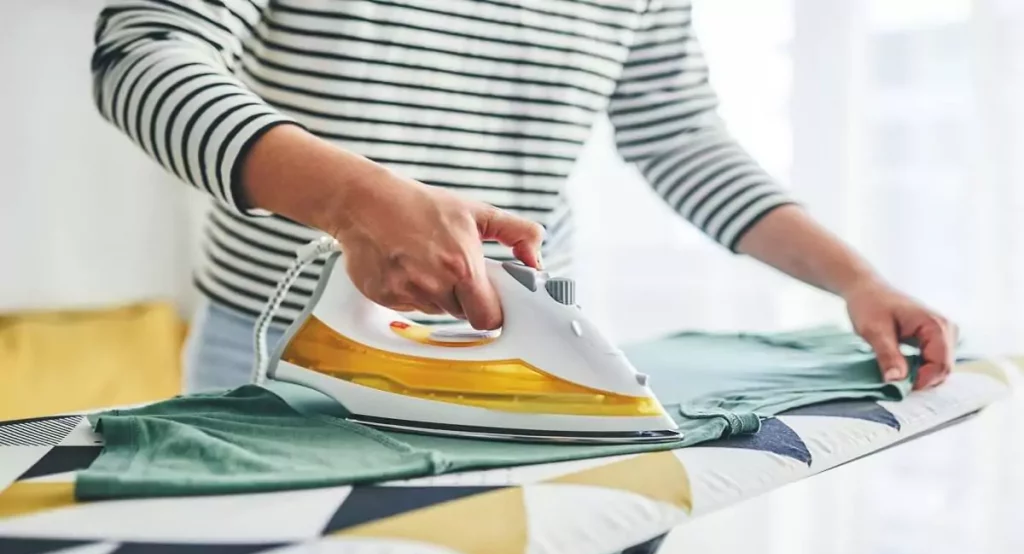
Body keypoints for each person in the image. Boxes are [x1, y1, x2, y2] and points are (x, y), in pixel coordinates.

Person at [90, 0, 956, 394]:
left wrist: (856, 281)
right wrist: (353, 201)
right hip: (281, 343)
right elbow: (142, 56)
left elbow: (680, 135)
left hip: (516, 334)